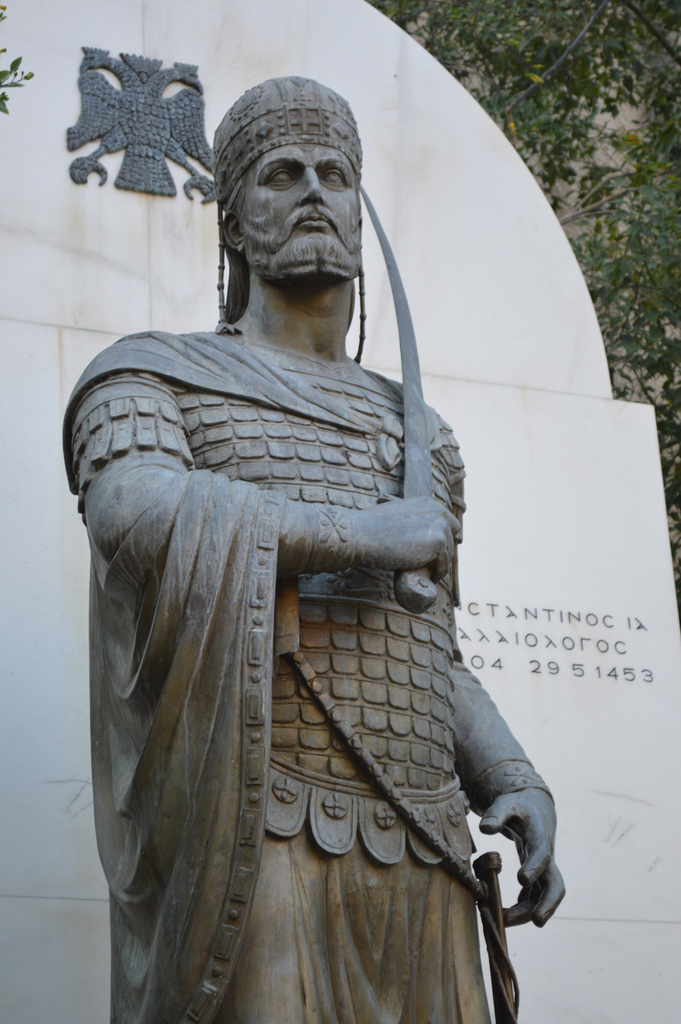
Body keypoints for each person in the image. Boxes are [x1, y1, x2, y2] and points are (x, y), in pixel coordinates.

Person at [64, 76, 564, 1024]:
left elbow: (430, 647)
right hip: (260, 820)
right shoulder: (150, 376)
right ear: (232, 221)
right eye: (281, 174)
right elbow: (135, 516)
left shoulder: (423, 436)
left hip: (423, 833)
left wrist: (509, 776)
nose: (312, 193)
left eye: (335, 175)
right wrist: (361, 535)